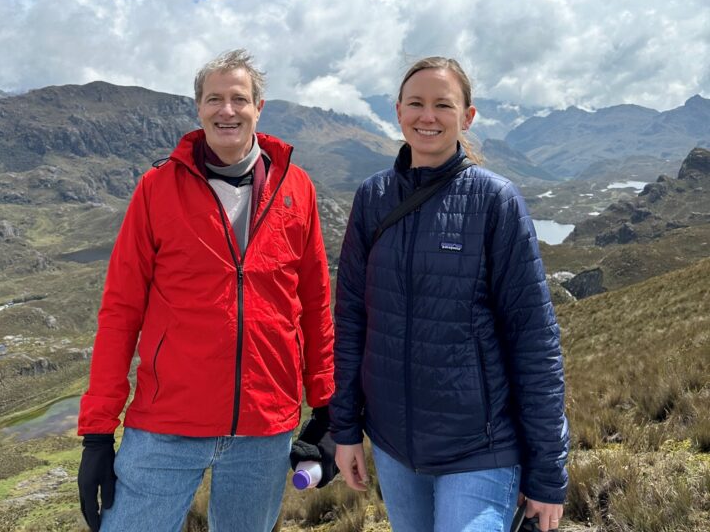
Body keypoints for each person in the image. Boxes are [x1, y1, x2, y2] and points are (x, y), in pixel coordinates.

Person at [77, 49, 335, 532]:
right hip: (166, 423)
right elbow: (121, 311)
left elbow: (315, 303)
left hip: (265, 425)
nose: (226, 110)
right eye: (214, 99)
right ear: (198, 108)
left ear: (259, 108)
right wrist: (97, 432)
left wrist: (326, 404)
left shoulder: (297, 187)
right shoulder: (157, 187)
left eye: (239, 99)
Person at [330, 57, 569, 532]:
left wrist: (547, 472)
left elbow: (534, 341)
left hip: (481, 448)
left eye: (443, 104)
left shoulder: (495, 201)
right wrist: (345, 429)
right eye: (416, 103)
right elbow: (352, 321)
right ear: (398, 111)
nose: (428, 116)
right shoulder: (372, 198)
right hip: (394, 447)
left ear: (467, 116)